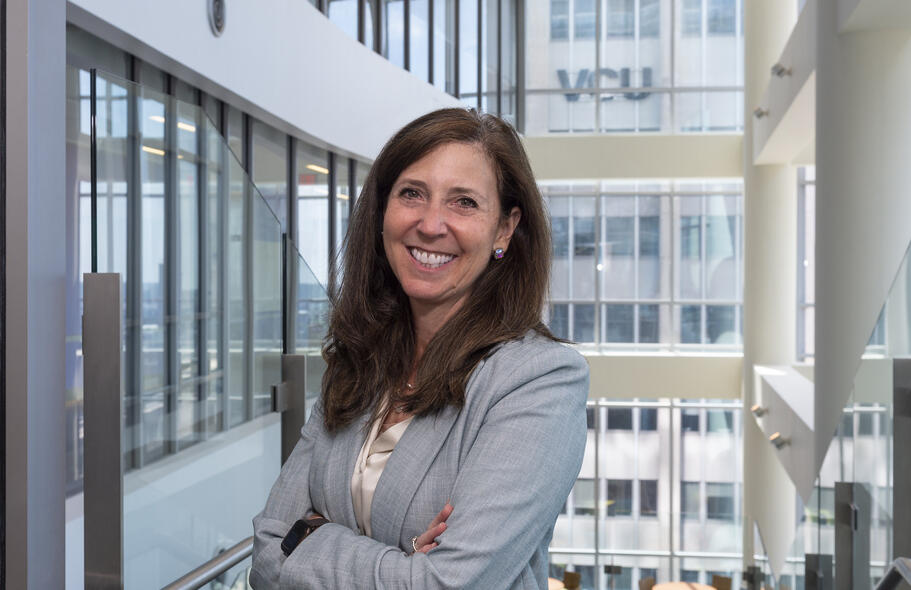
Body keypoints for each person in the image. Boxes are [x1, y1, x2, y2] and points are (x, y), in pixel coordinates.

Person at [250, 108, 589, 589]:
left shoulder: (539, 380)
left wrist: (310, 537)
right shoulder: (359, 356)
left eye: (464, 203)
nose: (431, 225)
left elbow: (447, 585)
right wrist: (403, 561)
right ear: (383, 210)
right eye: (412, 193)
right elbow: (266, 548)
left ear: (504, 229)